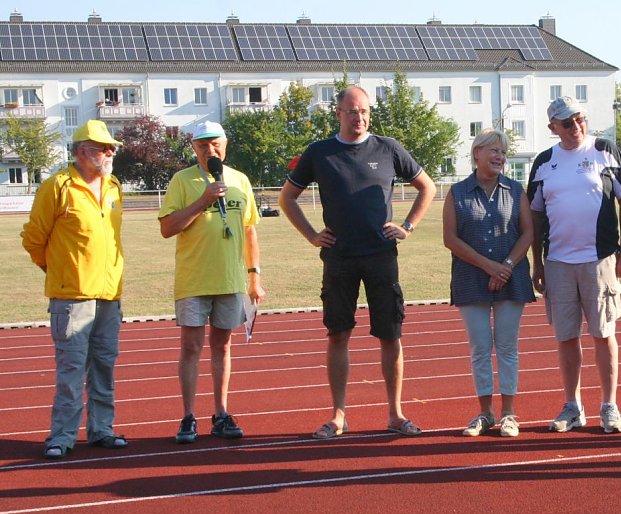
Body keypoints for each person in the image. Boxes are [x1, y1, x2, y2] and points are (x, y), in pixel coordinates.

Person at [279, 85, 437, 439]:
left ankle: (395, 414)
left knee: (390, 335)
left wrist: (408, 226)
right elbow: (288, 198)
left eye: (364, 111)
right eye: (351, 111)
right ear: (338, 113)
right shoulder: (319, 153)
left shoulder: (388, 147)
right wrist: (310, 234)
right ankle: (338, 416)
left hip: (381, 256)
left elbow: (427, 186)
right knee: (338, 334)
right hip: (339, 258)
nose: (359, 117)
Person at [528, 96, 621, 434]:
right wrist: (538, 264)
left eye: (579, 119)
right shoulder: (544, 162)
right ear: (552, 128)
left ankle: (610, 406)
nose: (575, 126)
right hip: (557, 262)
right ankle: (572, 406)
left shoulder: (605, 150)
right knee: (566, 337)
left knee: (604, 334)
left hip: (599, 259)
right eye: (566, 122)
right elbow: (535, 215)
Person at [21, 120, 128, 459]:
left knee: (104, 365)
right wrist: (58, 271)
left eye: (112, 148)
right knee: (71, 369)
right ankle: (62, 436)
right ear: (83, 151)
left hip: (109, 294)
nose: (110, 153)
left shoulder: (113, 187)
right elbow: (34, 238)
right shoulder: (57, 186)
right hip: (71, 296)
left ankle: (101, 430)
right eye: (103, 147)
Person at [158, 121, 265, 444]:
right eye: (203, 145)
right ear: (194, 148)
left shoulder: (240, 181)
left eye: (215, 144)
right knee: (191, 347)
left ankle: (220, 412)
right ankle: (188, 416)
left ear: (225, 145)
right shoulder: (182, 181)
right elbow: (167, 228)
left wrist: (254, 275)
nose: (210, 150)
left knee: (223, 345)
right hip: (193, 278)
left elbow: (249, 231)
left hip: (230, 278)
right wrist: (203, 200)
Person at [443, 129, 536, 437]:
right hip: (471, 278)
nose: (499, 156)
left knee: (507, 347)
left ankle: (509, 414)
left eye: (503, 152)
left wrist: (506, 267)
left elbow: (528, 234)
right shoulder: (457, 192)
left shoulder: (515, 189)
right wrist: (489, 267)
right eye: (493, 150)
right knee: (480, 348)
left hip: (512, 279)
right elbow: (451, 239)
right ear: (476, 154)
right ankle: (485, 413)